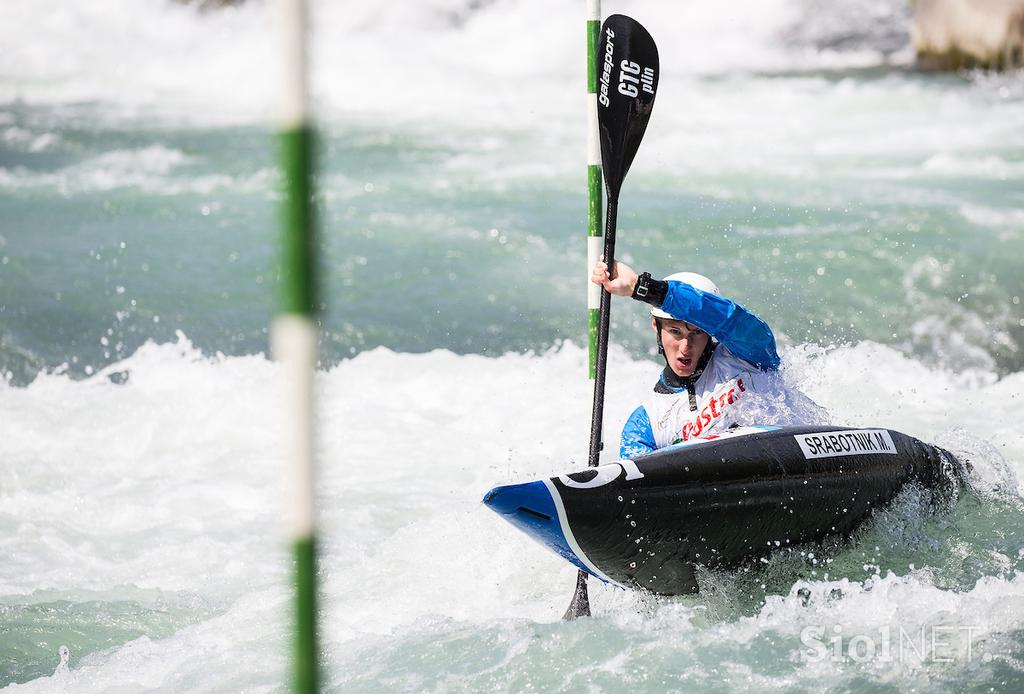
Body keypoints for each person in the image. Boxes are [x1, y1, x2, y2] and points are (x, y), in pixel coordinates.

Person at [591, 258, 821, 459]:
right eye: (675, 332)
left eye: (697, 332)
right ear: (656, 327)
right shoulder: (646, 423)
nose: (685, 347)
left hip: (797, 459)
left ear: (710, 330)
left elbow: (725, 317)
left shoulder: (748, 352)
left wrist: (641, 287)